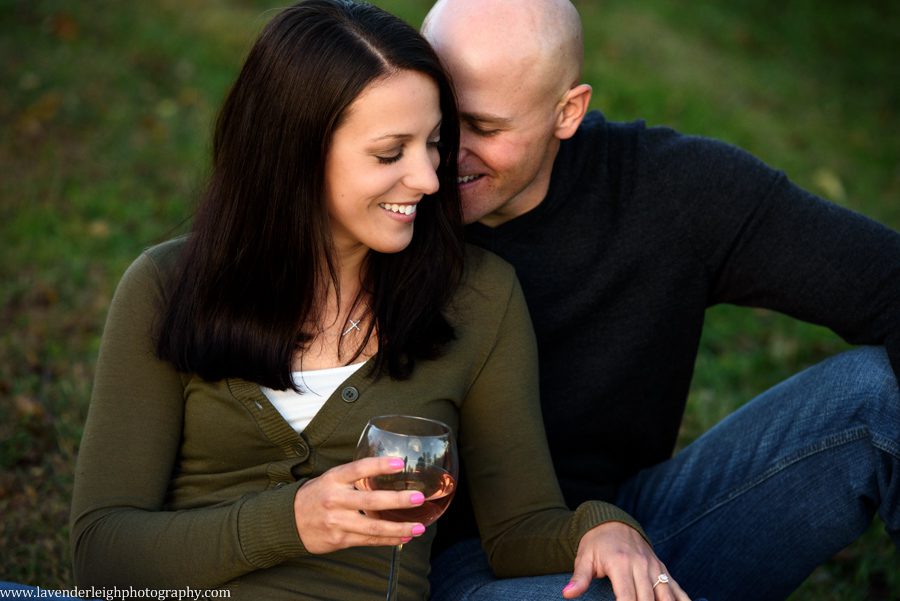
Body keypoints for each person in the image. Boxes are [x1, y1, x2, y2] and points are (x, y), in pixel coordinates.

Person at [69, 1, 698, 600]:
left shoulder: (476, 297)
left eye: (433, 143)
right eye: (389, 153)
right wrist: (292, 521)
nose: (429, 179)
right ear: (297, 151)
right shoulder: (167, 284)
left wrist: (600, 529)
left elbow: (517, 532)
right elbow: (101, 554)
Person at [421, 1, 900, 600]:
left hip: (648, 526)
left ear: (566, 111)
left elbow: (885, 281)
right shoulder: (389, 192)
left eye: (484, 128)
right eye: (437, 114)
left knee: (879, 397)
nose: (442, 153)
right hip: (464, 561)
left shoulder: (670, 193)